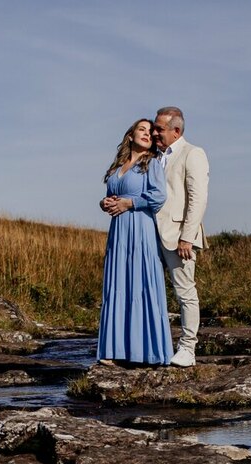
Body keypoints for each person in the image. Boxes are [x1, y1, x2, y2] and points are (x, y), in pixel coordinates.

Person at [97, 119, 171, 365]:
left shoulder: (151, 164)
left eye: (150, 132)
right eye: (142, 130)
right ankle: (117, 351)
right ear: (130, 135)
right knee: (119, 284)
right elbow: (111, 195)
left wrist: (130, 203)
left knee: (140, 283)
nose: (148, 134)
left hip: (140, 228)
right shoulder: (119, 166)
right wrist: (105, 203)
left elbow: (159, 195)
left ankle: (146, 352)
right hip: (119, 232)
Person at [151, 106, 209, 367]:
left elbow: (197, 199)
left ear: (176, 131)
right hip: (151, 235)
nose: (154, 133)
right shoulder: (154, 157)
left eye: (159, 129)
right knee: (151, 291)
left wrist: (187, 236)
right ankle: (155, 346)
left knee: (185, 292)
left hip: (178, 236)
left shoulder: (192, 153)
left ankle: (188, 349)